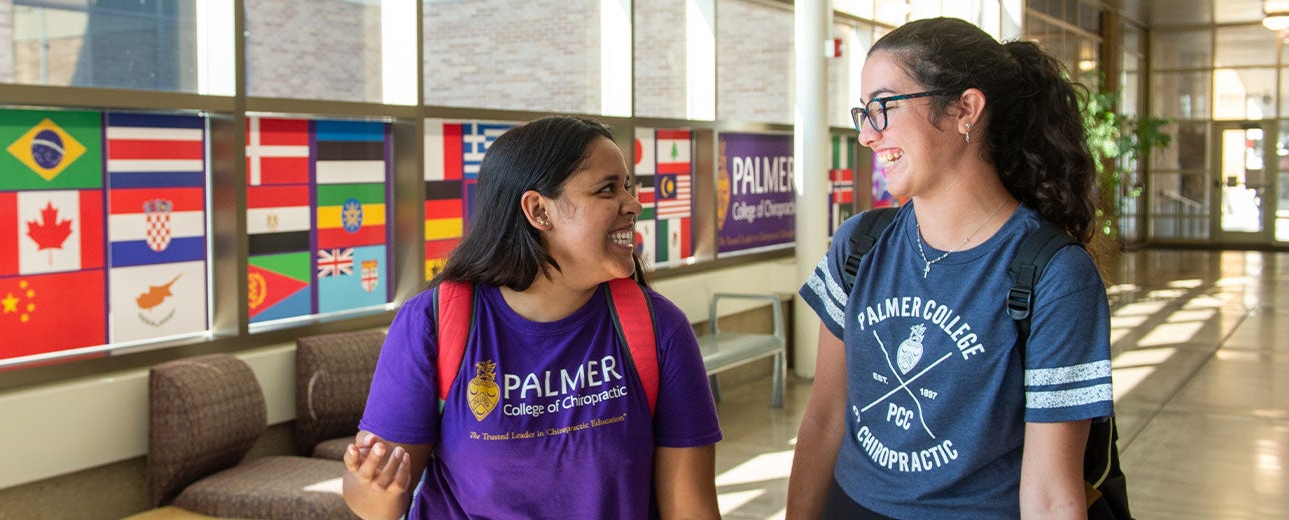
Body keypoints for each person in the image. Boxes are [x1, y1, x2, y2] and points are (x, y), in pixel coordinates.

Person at [788, 17, 1113, 519]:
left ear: (965, 109)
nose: (867, 136)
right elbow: (825, 418)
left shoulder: (1053, 275)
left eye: (882, 108)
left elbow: (1050, 493)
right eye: (862, 114)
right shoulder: (859, 245)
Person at [344, 115, 723, 519]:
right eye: (607, 189)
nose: (634, 204)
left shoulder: (660, 329)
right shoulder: (432, 323)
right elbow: (375, 504)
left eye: (627, 187)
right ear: (539, 211)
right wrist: (375, 484)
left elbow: (692, 509)